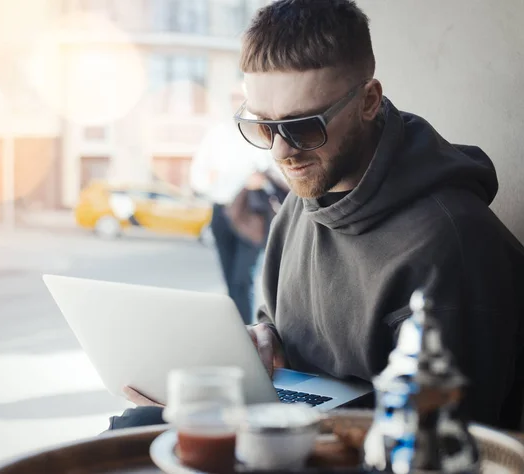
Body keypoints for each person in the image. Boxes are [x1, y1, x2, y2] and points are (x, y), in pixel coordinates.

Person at [110, 0, 524, 431]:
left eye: (304, 126)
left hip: (365, 450)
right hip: (298, 429)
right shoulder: (300, 205)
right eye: (263, 126)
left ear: (369, 101)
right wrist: (264, 342)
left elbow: (447, 443)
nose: (280, 152)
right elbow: (285, 335)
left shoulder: (453, 241)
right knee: (139, 421)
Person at [189, 99, 276, 324]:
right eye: (233, 96)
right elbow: (198, 175)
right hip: (221, 210)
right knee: (229, 280)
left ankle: (247, 332)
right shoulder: (217, 134)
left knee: (241, 279)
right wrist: (209, 180)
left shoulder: (261, 131)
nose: (237, 101)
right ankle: (236, 331)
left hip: (250, 215)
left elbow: (275, 170)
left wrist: (260, 178)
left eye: (242, 96)